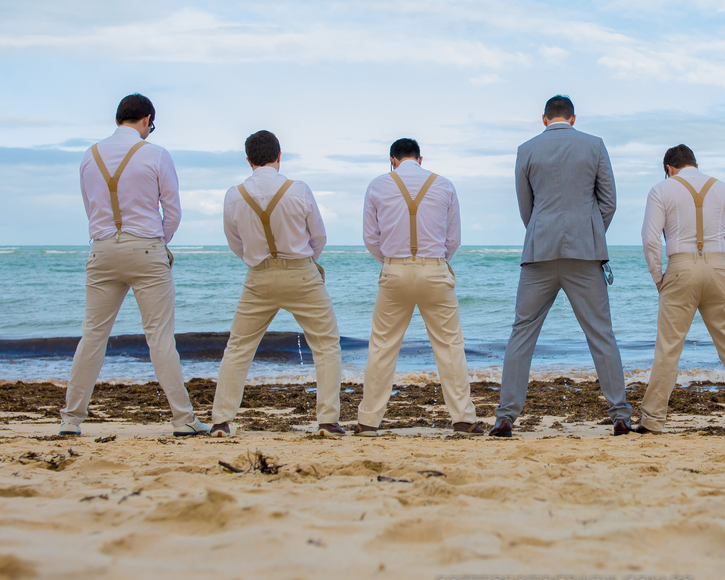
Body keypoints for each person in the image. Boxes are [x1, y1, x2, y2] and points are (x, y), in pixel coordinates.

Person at [60, 94, 207, 437]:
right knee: (160, 338)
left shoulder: (90, 155)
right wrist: (159, 243)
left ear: (118, 119)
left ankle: (71, 419)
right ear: (147, 120)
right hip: (146, 249)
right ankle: (183, 419)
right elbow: (173, 212)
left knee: (92, 337)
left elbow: (90, 206)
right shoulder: (156, 154)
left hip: (102, 249)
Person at [491, 96, 632, 436]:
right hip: (585, 252)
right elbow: (609, 202)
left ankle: (506, 416)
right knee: (601, 333)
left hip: (539, 251)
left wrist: (541, 232)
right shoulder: (594, 145)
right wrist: (590, 232)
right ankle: (619, 415)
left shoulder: (526, 149)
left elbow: (526, 206)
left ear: (544, 119)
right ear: (573, 118)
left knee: (522, 333)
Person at [209, 130, 344, 438]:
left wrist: (258, 261)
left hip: (258, 276)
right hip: (301, 273)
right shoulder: (299, 189)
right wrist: (305, 261)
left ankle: (221, 421)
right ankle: (327, 421)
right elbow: (319, 236)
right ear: (279, 156)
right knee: (325, 345)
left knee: (239, 347)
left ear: (248, 160)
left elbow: (235, 243)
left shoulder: (234, 194)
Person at [354, 138, 485, 436]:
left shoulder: (377, 185)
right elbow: (453, 239)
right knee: (449, 346)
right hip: (434, 269)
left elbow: (370, 238)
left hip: (394, 271)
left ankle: (368, 421)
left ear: (393, 160)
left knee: (382, 346)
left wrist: (391, 262)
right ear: (420, 159)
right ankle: (463, 419)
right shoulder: (444, 185)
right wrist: (435, 262)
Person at [637, 144, 725, 433]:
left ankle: (653, 420)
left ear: (669, 169)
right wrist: (715, 262)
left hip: (680, 266)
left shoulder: (661, 189)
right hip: (718, 265)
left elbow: (650, 239)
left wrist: (657, 276)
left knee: (669, 347)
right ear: (696, 165)